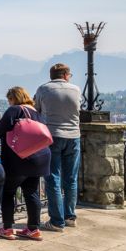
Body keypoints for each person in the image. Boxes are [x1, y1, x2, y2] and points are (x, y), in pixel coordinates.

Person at [0, 87, 52, 240]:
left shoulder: (15, 110)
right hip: (39, 158)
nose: (9, 103)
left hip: (18, 160)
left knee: (8, 192)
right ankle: (33, 229)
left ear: (14, 98)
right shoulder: (36, 113)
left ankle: (7, 228)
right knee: (32, 192)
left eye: (9, 100)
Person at [34, 63, 82, 231]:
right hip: (73, 136)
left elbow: (36, 111)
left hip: (52, 136)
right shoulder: (76, 90)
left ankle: (56, 221)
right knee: (71, 178)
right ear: (66, 75)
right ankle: (70, 216)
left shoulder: (43, 90)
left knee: (52, 178)